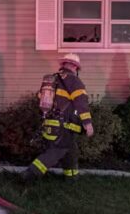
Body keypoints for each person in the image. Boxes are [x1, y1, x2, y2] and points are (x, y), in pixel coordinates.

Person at [23, 53, 94, 181]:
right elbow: (81, 103)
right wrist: (87, 123)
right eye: (76, 68)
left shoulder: (52, 79)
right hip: (64, 125)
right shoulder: (74, 80)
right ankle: (30, 174)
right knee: (57, 151)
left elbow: (41, 98)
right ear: (74, 66)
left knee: (70, 150)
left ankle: (72, 177)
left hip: (50, 122)